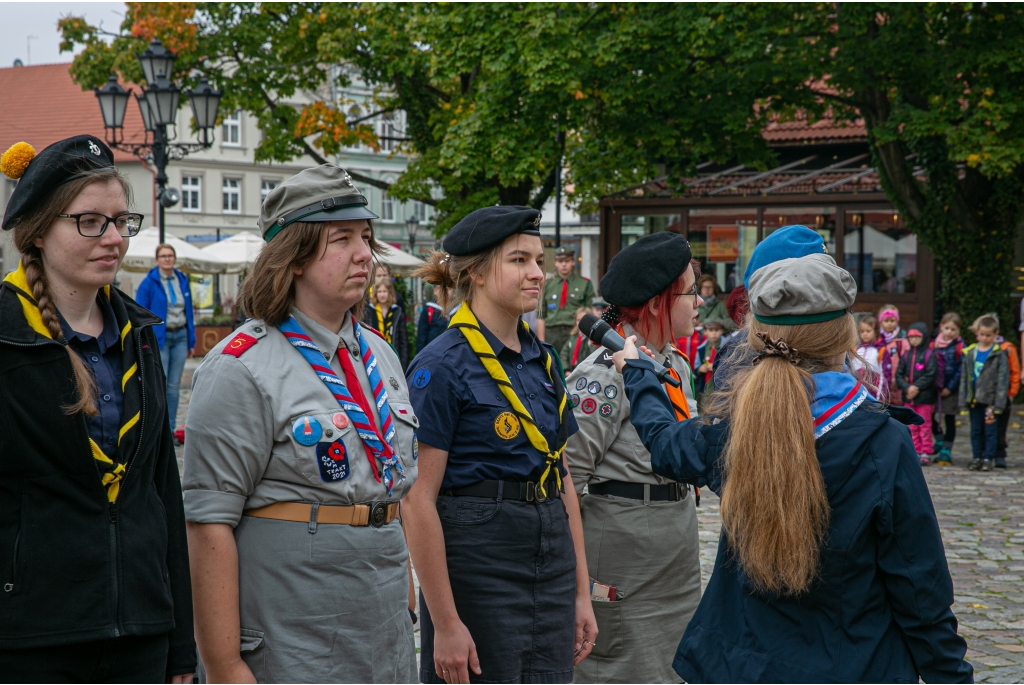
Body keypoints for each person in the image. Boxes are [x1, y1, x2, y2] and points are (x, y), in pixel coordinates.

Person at [614, 248, 972, 683]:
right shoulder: (883, 442)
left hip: (741, 666)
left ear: (756, 333)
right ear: (844, 334)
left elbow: (665, 445)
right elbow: (921, 591)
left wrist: (637, 373)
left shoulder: (737, 427)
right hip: (849, 665)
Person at [182, 164, 419, 682]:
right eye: (342, 239)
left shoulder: (379, 355)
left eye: (366, 237)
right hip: (299, 634)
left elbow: (391, 492)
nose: (365, 254)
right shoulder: (240, 368)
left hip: (383, 628)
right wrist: (224, 666)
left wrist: (405, 603)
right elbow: (207, 524)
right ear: (293, 257)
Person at [0, 136, 195, 681]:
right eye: (90, 222)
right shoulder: (7, 335)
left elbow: (163, 492)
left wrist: (179, 642)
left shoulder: (140, 335)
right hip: (32, 636)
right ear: (38, 231)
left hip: (140, 632)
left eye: (120, 221)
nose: (113, 238)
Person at [404, 206, 597, 684]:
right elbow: (416, 500)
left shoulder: (543, 360)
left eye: (538, 259)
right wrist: (446, 623)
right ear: (476, 274)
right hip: (479, 568)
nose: (538, 273)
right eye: (518, 260)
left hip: (549, 563)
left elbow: (563, 477)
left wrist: (579, 594)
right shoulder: (442, 366)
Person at [563, 231, 701, 684]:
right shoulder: (602, 376)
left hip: (674, 554)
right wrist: (577, 583)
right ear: (660, 303)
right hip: (625, 557)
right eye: (691, 291)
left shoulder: (674, 365)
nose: (699, 301)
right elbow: (566, 479)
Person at [136, 242, 196, 434]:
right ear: (157, 260)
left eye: (170, 255)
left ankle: (169, 429)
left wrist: (191, 340)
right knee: (159, 383)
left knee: (173, 387)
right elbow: (139, 313)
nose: (167, 259)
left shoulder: (182, 280)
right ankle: (158, 430)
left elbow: (189, 312)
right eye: (163, 256)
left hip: (180, 336)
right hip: (159, 338)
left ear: (175, 259)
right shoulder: (149, 283)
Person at [960, 315, 1011, 472]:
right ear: (977, 333)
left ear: (995, 334)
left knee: (990, 431)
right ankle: (977, 457)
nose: (985, 338)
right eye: (982, 334)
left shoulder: (999, 355)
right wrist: (963, 400)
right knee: (975, 430)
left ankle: (989, 457)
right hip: (974, 400)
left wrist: (999, 404)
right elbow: (965, 378)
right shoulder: (970, 353)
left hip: (990, 402)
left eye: (988, 335)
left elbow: (1003, 381)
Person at [537, 245, 595, 356]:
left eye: (567, 261)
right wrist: (542, 342)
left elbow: (590, 314)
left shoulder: (584, 284)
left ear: (573, 262)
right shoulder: (547, 284)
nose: (564, 264)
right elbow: (540, 316)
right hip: (551, 333)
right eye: (560, 261)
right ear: (555, 263)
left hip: (574, 332)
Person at [896, 322, 940, 465]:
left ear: (924, 337)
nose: (914, 340)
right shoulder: (906, 355)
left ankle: (926, 451)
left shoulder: (929, 355)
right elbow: (899, 374)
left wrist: (915, 387)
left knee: (925, 426)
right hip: (909, 398)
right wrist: (907, 388)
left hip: (924, 398)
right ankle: (914, 451)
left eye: (917, 337)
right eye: (911, 337)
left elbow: (931, 374)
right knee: (911, 426)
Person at [932, 313, 965, 465]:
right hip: (934, 387)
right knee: (929, 415)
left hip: (951, 388)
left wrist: (950, 388)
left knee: (949, 418)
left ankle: (946, 448)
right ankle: (939, 438)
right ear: (941, 327)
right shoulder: (933, 345)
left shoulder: (960, 346)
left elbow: (960, 370)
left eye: (953, 329)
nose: (949, 332)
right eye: (947, 328)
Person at [365, 278, 410, 369]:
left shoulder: (397, 311)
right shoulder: (369, 311)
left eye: (385, 291)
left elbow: (403, 340)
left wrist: (403, 364)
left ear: (389, 293)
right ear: (375, 293)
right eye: (380, 291)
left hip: (393, 356)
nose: (382, 295)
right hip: (374, 357)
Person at [560, 306, 599, 374]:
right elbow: (564, 354)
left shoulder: (593, 337)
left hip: (585, 372)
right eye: (578, 320)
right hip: (571, 371)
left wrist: (590, 342)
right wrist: (566, 370)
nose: (580, 323)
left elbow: (593, 355)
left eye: (583, 320)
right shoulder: (573, 337)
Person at [695, 318, 726, 399]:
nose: (714, 333)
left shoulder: (726, 347)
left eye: (717, 330)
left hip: (721, 390)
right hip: (705, 389)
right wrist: (700, 369)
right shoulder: (701, 348)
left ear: (722, 331)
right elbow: (696, 367)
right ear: (705, 332)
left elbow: (730, 366)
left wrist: (716, 366)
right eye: (711, 330)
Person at [416, 286, 450, 357]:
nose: (445, 292)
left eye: (448, 289)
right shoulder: (429, 309)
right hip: (432, 355)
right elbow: (421, 338)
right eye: (441, 289)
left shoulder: (457, 311)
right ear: (435, 290)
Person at [852, 314, 883, 384]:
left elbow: (884, 375)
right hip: (857, 387)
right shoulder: (856, 350)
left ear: (875, 331)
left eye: (868, 331)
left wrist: (879, 394)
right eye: (862, 331)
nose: (865, 334)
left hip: (873, 389)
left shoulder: (880, 350)